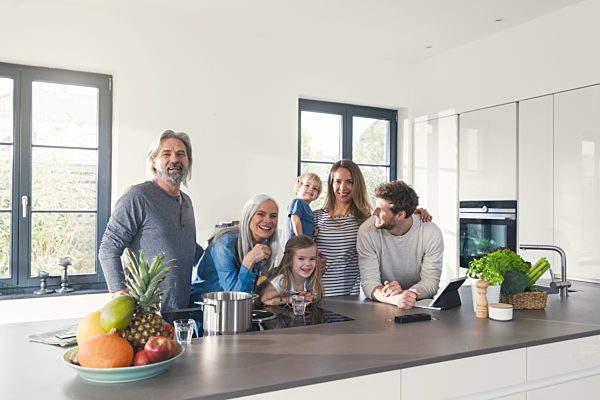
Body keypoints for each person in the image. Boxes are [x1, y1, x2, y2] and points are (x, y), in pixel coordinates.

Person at [98, 130, 203, 312]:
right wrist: (121, 297)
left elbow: (186, 246)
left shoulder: (187, 203)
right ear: (154, 161)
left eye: (181, 154)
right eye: (166, 154)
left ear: (188, 162)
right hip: (146, 314)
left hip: (181, 312)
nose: (174, 159)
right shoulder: (137, 196)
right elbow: (108, 249)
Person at [357, 181, 444, 309]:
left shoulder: (430, 232)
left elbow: (430, 282)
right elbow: (369, 283)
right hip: (383, 304)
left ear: (400, 215)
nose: (373, 213)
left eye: (380, 209)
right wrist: (395, 298)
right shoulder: (367, 231)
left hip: (418, 304)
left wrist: (407, 295)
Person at [191, 194, 280, 298]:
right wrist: (249, 261)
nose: (268, 220)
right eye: (260, 214)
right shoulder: (225, 244)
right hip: (204, 310)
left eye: (273, 216)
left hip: (232, 310)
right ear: (248, 216)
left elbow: (251, 291)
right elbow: (236, 297)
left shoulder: (262, 245)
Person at [313, 159, 373, 296]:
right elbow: (296, 252)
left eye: (349, 182)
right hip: (315, 295)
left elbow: (394, 224)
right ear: (331, 184)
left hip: (349, 298)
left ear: (357, 184)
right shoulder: (316, 216)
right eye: (338, 181)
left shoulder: (365, 219)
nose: (342, 187)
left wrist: (414, 213)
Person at [260, 235, 324, 306]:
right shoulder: (281, 281)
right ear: (289, 260)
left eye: (312, 259)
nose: (308, 264)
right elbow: (264, 300)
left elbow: (315, 297)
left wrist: (307, 297)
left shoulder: (311, 280)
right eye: (301, 259)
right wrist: (290, 299)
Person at [281, 172, 322, 246]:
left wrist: (313, 233)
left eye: (315, 188)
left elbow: (306, 227)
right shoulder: (298, 202)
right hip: (294, 244)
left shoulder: (309, 210)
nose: (311, 189)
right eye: (307, 185)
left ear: (317, 196)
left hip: (303, 244)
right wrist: (300, 238)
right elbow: (295, 220)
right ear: (298, 188)